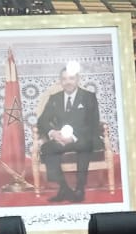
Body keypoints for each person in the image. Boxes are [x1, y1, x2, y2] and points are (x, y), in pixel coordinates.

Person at [35, 61, 100, 203]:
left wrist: (73, 137)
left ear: (77, 79)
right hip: (61, 139)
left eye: (71, 78)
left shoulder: (88, 97)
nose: (68, 82)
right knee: (47, 148)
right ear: (60, 81)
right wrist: (53, 133)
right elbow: (42, 121)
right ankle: (63, 187)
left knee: (85, 146)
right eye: (64, 79)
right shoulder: (55, 98)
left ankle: (80, 189)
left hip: (82, 138)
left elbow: (93, 123)